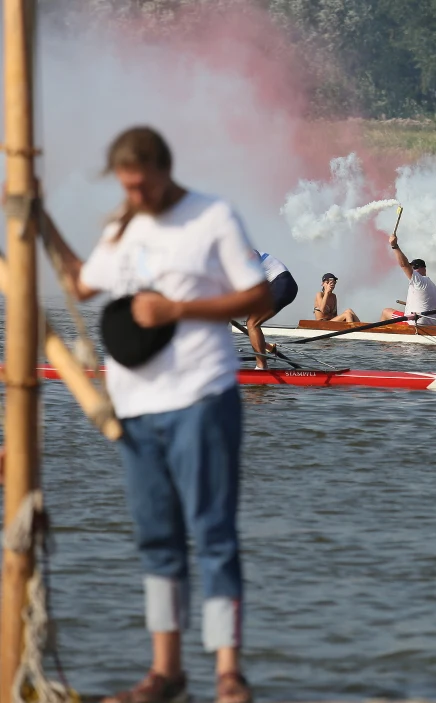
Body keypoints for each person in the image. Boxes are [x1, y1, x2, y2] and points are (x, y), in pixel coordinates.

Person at [46, 127, 268, 703]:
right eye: (126, 187)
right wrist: (37, 217)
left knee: (213, 534)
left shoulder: (211, 216)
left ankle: (227, 672)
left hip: (201, 397)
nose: (136, 197)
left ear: (165, 171)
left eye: (143, 186)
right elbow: (79, 282)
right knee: (156, 539)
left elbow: (258, 296)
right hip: (136, 410)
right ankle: (165, 672)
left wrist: (179, 308)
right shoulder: (122, 229)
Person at [379, 233, 436, 325]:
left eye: (414, 268)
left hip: (415, 324)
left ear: (423, 269)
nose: (413, 270)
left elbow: (404, 265)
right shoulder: (433, 285)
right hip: (433, 325)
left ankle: (382, 337)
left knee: (386, 312)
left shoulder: (419, 280)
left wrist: (394, 246)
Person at [248, 249, 297, 370]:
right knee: (252, 321)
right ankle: (268, 347)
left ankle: (261, 367)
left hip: (282, 284)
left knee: (252, 323)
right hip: (279, 286)